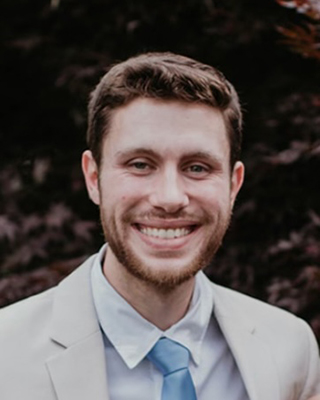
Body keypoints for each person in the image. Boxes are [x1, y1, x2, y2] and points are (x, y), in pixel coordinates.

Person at [0, 52, 319, 400]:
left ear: (233, 186)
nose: (170, 198)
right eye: (140, 164)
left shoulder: (290, 349)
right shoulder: (6, 354)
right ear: (94, 178)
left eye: (197, 167)